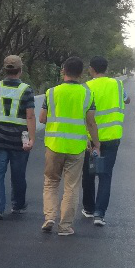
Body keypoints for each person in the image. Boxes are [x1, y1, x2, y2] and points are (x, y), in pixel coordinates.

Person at [38, 56, 102, 236]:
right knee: (71, 187)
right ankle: (65, 227)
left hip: (54, 145)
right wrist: (96, 145)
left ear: (63, 71)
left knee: (51, 182)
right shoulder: (87, 94)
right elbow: (91, 123)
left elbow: (42, 118)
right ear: (81, 74)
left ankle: (49, 217)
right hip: (76, 147)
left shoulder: (51, 92)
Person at [0, 55, 36, 220]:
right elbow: (30, 116)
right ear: (20, 70)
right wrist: (32, 139)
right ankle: (18, 206)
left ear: (4, 70)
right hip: (19, 141)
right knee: (18, 175)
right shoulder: (26, 90)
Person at [81, 56, 129, 226]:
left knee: (89, 174)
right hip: (112, 137)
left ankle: (88, 208)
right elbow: (127, 99)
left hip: (91, 139)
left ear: (91, 69)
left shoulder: (86, 87)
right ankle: (99, 214)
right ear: (106, 69)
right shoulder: (117, 85)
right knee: (105, 175)